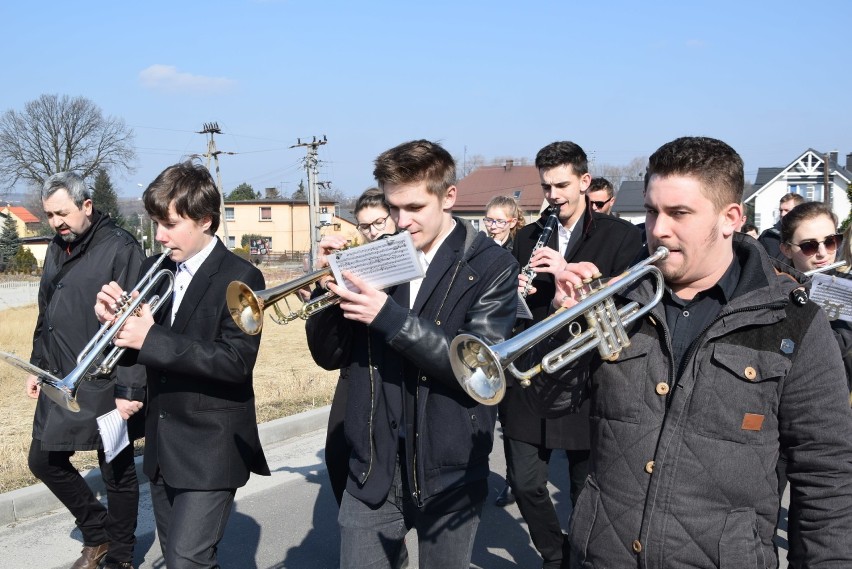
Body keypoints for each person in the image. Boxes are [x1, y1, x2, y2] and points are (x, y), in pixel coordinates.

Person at [549, 136, 852, 567]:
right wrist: (565, 325)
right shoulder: (617, 300)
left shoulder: (794, 323)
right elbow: (550, 403)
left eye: (679, 214)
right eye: (653, 211)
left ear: (730, 218)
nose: (658, 229)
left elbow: (826, 477)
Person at [305, 139, 519, 569]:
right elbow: (329, 355)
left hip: (450, 470)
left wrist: (387, 317)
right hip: (373, 468)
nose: (401, 222)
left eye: (416, 208)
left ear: (449, 197)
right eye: (393, 207)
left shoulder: (493, 266)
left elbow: (476, 368)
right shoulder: (377, 256)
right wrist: (326, 286)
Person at [95, 161, 270, 569]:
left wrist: (150, 336)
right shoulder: (158, 269)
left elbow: (235, 361)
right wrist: (116, 326)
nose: (159, 235)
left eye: (169, 224)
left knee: (188, 560)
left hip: (212, 447)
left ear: (205, 220)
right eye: (156, 223)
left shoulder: (242, 276)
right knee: (182, 562)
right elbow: (143, 353)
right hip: (163, 445)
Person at [501, 142, 642, 568]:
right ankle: (553, 552)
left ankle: (581, 555)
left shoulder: (620, 236)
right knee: (524, 482)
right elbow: (508, 306)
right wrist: (516, 293)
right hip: (531, 374)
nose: (553, 195)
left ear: (584, 182)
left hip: (586, 377)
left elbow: (627, 307)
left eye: (562, 184)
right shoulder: (526, 237)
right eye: (546, 186)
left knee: (586, 487)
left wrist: (565, 273)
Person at [24, 172, 144, 569]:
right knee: (43, 460)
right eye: (50, 215)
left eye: (63, 212)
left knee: (117, 471)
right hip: (60, 375)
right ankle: (98, 532)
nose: (57, 221)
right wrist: (37, 365)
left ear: (86, 206)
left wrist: (131, 388)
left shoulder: (122, 248)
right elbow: (47, 311)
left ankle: (121, 555)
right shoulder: (58, 246)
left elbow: (139, 323)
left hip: (107, 379)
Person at [322, 187, 398, 505]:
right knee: (336, 454)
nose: (372, 232)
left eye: (378, 223)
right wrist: (321, 278)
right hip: (356, 368)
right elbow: (328, 345)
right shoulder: (355, 263)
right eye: (365, 227)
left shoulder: (408, 259)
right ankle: (354, 531)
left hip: (395, 369)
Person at [482, 195, 527, 508]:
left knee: (510, 420)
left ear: (512, 222)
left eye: (498, 220)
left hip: (515, 342)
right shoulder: (481, 250)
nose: (491, 226)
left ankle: (513, 480)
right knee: (481, 415)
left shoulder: (521, 250)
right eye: (488, 219)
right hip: (486, 342)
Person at [757, 192, 805, 261]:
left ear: (799, 212)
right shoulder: (767, 236)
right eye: (781, 210)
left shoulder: (810, 236)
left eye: (787, 210)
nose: (782, 214)